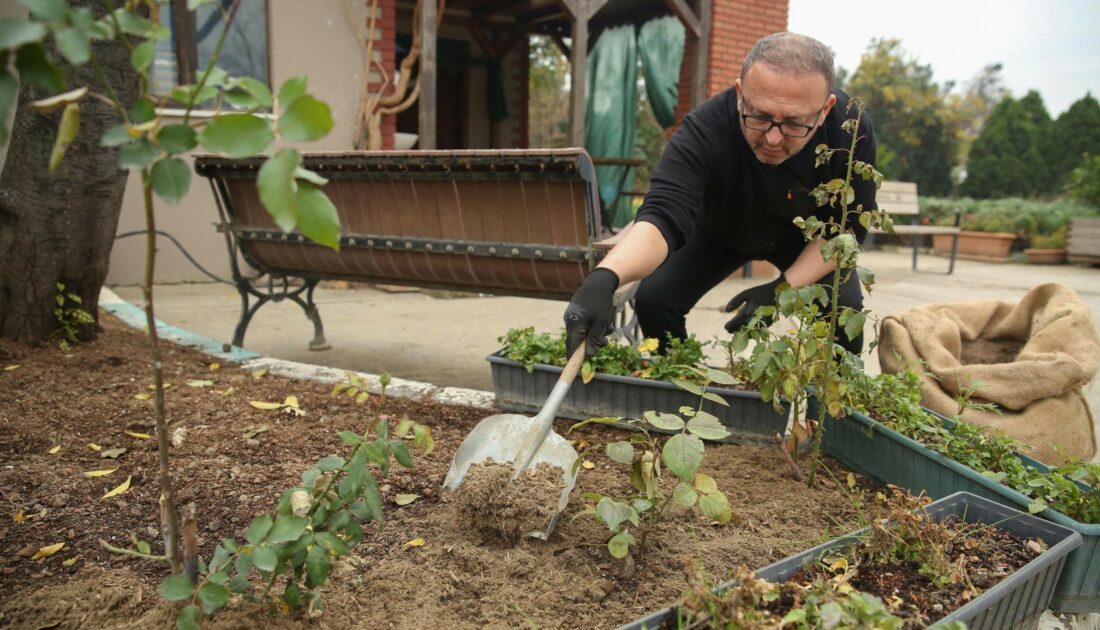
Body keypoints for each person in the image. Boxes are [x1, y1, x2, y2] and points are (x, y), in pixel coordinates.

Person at [564, 32, 876, 359]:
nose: (772, 138)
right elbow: (662, 214)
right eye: (759, 116)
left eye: (794, 124)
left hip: (807, 239)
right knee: (655, 299)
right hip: (719, 231)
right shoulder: (704, 130)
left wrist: (782, 289)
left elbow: (844, 231)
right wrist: (604, 278)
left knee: (844, 310)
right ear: (741, 93)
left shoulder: (851, 131)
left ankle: (827, 408)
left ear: (824, 110)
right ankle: (681, 383)